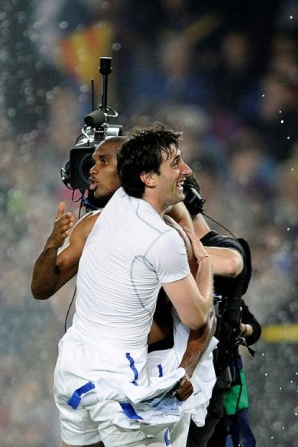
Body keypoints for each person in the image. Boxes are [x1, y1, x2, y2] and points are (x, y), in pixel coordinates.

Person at [43, 124, 215, 446]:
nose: (186, 171)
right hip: (115, 382)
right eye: (176, 163)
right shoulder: (162, 239)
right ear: (147, 177)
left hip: (72, 368)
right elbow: (197, 318)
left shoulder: (111, 208)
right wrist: (204, 264)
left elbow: (154, 192)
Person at [177, 174, 262, 447]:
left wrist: (239, 329)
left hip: (211, 389)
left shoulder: (225, 248)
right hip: (177, 383)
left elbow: (233, 264)